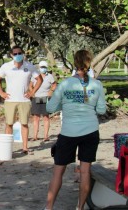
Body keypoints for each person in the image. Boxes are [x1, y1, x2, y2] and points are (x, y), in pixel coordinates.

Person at [44, 50, 106, 210]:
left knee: (58, 172)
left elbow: (50, 107)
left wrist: (64, 104)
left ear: (74, 63)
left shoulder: (65, 84)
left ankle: (49, 207)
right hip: (91, 131)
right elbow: (101, 110)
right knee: (85, 172)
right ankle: (80, 207)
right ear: (89, 63)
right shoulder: (97, 85)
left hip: (68, 132)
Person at [0, 46, 43, 154]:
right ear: (11, 55)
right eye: (15, 54)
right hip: (10, 100)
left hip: (24, 100)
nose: (17, 55)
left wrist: (32, 93)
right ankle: (8, 148)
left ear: (23, 53)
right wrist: (1, 92)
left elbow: (39, 79)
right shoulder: (6, 66)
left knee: (24, 124)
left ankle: (25, 147)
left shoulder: (29, 66)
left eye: (19, 53)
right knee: (9, 123)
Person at [29, 60, 57, 142]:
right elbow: (30, 85)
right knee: (36, 117)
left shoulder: (50, 76)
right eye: (42, 67)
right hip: (36, 97)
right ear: (39, 67)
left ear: (47, 68)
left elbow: (54, 84)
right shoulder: (35, 76)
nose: (43, 69)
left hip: (46, 97)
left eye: (44, 67)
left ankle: (46, 136)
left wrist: (51, 91)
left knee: (46, 117)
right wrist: (32, 92)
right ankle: (35, 136)